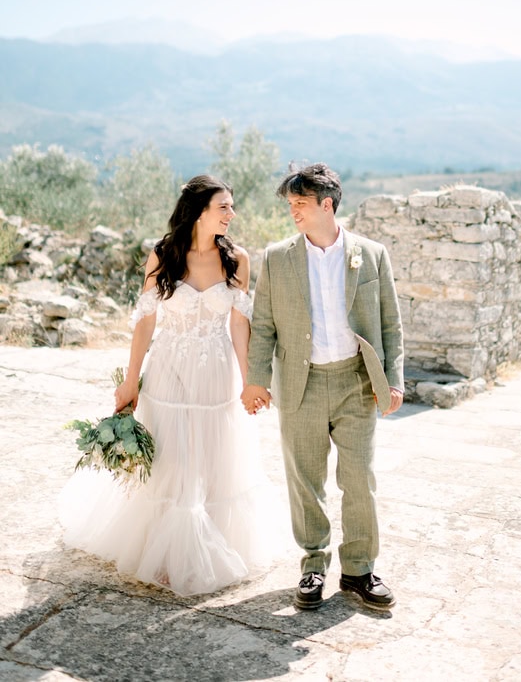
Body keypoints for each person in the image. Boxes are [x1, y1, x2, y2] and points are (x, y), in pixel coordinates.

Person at [60, 175, 278, 596]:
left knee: (214, 458)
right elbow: (145, 322)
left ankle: (210, 544)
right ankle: (163, 553)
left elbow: (238, 325)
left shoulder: (238, 260)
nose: (232, 215)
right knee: (172, 458)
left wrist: (251, 380)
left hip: (216, 373)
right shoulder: (162, 256)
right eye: (224, 207)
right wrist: (130, 381)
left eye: (231, 207)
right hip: (169, 371)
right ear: (199, 211)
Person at [241, 163, 404, 612]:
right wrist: (256, 379)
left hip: (356, 382)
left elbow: (390, 323)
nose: (292, 210)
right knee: (305, 481)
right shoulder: (277, 257)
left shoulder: (371, 254)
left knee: (359, 479)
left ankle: (358, 570)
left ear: (326, 204)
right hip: (301, 383)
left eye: (300, 202)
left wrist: (393, 381)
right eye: (290, 203)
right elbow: (264, 324)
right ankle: (313, 565)